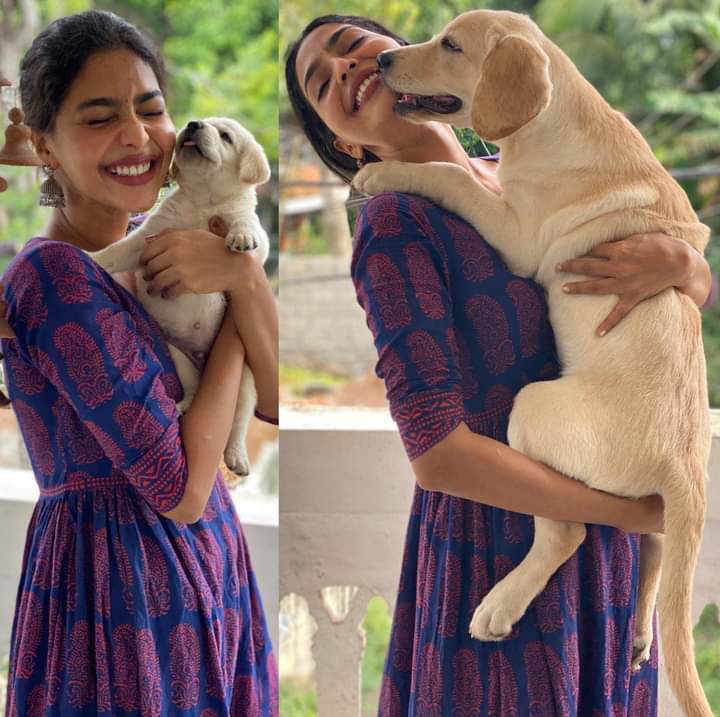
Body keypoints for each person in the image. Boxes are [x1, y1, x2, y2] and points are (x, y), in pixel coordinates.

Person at [286, 14, 713, 716]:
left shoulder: (529, 168)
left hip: (609, 538)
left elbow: (668, 302)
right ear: (343, 141)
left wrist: (689, 268)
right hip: (501, 543)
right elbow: (436, 452)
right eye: (321, 82)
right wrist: (630, 512)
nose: (345, 69)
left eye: (352, 46)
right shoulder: (394, 222)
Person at [0, 10, 278, 715]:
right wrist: (237, 298)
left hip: (205, 572)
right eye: (100, 118)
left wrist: (241, 280)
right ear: (45, 145)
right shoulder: (56, 277)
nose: (137, 135)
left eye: (151, 109)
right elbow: (181, 489)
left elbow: (274, 400)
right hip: (120, 599)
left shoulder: (168, 252)